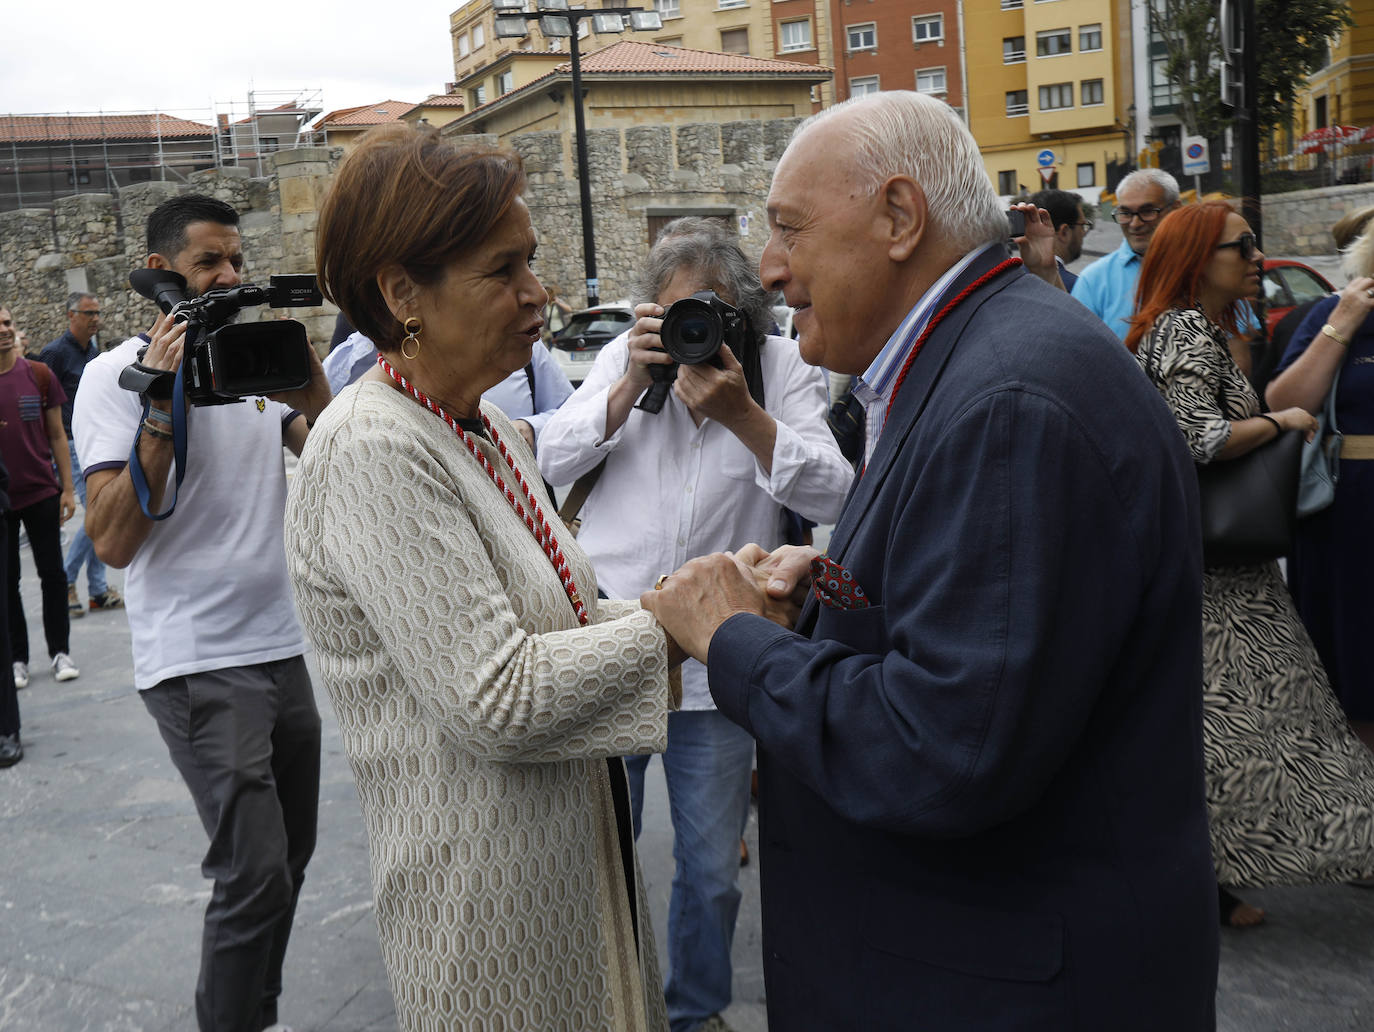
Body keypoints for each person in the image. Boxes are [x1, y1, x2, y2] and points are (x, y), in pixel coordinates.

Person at [641, 91, 1219, 1031]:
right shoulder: (981, 358)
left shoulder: (1012, 400)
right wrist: (823, 601)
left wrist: (735, 640)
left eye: (788, 228)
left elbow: (942, 748)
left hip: (995, 984)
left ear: (900, 218)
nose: (773, 270)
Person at [290, 122, 689, 1032]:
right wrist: (677, 626)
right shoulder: (371, 448)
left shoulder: (489, 432)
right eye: (502, 271)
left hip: (572, 870)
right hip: (483, 909)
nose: (536, 294)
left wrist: (711, 594)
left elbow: (574, 616)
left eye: (532, 263)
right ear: (401, 293)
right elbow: (498, 695)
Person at [538, 217, 850, 1032]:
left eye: (707, 313)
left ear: (743, 314)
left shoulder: (779, 369)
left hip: (719, 666)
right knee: (601, 857)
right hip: (616, 647)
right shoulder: (628, 359)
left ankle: (695, 1013)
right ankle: (611, 1007)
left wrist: (745, 413)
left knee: (711, 869)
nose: (691, 331)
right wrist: (622, 394)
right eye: (676, 313)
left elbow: (835, 494)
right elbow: (545, 461)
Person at [74, 193, 332, 1032]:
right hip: (194, 659)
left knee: (290, 861)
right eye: (206, 265)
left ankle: (255, 1013)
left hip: (280, 647)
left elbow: (339, 456)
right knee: (253, 873)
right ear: (159, 278)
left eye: (235, 262)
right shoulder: (113, 378)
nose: (229, 278)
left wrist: (314, 385)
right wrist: (160, 406)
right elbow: (112, 543)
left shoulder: (255, 364)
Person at [1126, 200, 1374, 926]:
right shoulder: (1181, 332)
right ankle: (1211, 876)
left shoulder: (1200, 329)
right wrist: (1281, 421)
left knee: (1263, 722)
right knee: (1252, 724)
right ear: (1202, 260)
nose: (1257, 255)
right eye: (1243, 246)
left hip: (1227, 569)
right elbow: (1199, 439)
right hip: (1211, 573)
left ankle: (1231, 871)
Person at [1267, 220, 1374, 750]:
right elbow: (1286, 402)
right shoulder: (1330, 313)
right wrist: (1343, 323)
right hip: (1347, 507)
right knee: (1351, 653)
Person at [324, 324, 574, 453]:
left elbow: (571, 411)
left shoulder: (523, 345)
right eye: (500, 270)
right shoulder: (348, 362)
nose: (537, 293)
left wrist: (531, 428)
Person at [0, 303, 79, 688]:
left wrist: (67, 488)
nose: (3, 329)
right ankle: (17, 659)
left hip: (41, 492)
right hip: (2, 501)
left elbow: (57, 435)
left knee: (53, 574)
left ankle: (60, 652)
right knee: (7, 581)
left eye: (7, 322)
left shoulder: (38, 374)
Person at [40, 292, 123, 617]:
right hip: (72, 444)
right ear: (71, 315)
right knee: (100, 516)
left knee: (100, 516)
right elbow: (45, 406)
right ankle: (68, 579)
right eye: (89, 313)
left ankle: (98, 590)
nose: (96, 318)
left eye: (98, 312)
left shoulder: (92, 351)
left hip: (97, 441)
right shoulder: (55, 354)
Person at [1028, 188, 1092, 291]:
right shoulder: (1077, 288)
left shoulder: (1010, 278)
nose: (1084, 233)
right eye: (1082, 226)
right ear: (1064, 232)